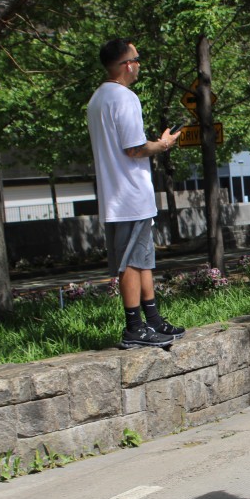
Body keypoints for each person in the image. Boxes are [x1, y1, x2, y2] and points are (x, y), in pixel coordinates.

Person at [87, 38, 185, 349]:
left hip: (118, 196)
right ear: (126, 65)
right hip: (129, 196)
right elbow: (134, 148)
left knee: (143, 260)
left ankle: (152, 320)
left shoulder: (98, 99)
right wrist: (164, 144)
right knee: (131, 262)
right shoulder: (124, 98)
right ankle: (134, 327)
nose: (139, 64)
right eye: (136, 59)